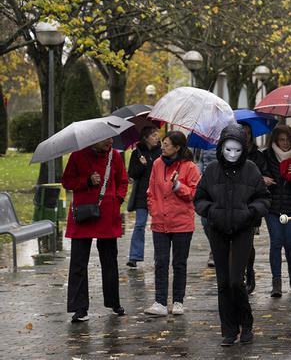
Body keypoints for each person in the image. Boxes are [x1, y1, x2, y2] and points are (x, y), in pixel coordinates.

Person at [194, 124, 270, 346]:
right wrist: (211, 212)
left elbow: (264, 198)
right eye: (228, 150)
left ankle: (246, 324)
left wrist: (251, 212)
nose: (233, 155)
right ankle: (228, 329)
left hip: (242, 230)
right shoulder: (211, 171)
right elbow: (199, 198)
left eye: (237, 150)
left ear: (243, 149)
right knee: (223, 282)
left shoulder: (251, 170)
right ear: (221, 148)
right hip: (217, 230)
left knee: (237, 281)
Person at [62, 137, 128, 322]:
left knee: (109, 261)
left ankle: (114, 302)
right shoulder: (78, 155)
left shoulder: (114, 156)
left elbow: (122, 181)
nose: (110, 141)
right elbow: (67, 182)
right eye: (105, 139)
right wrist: (86, 181)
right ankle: (79, 308)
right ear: (94, 139)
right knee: (78, 263)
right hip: (83, 216)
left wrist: (118, 199)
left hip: (107, 215)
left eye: (111, 138)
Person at [143, 131, 201, 316]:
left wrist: (178, 186)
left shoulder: (190, 167)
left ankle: (178, 301)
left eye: (167, 144)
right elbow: (151, 190)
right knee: (160, 262)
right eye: (163, 143)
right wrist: (154, 209)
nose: (162, 147)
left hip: (182, 223)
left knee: (179, 263)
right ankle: (160, 302)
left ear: (177, 147)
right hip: (160, 221)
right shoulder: (157, 164)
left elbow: (194, 193)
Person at [261, 124, 291, 297]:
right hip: (273, 207)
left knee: (290, 244)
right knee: (276, 242)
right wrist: (261, 179)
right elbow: (256, 172)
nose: (285, 143)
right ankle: (276, 282)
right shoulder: (267, 155)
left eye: (287, 139)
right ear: (276, 140)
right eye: (281, 140)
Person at [126, 125, 161, 268]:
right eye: (153, 136)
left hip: (158, 194)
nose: (157, 138)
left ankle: (159, 256)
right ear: (145, 138)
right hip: (142, 195)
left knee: (158, 226)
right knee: (140, 224)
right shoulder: (137, 153)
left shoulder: (161, 152)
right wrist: (141, 165)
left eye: (157, 135)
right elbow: (132, 174)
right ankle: (134, 256)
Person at [239, 122, 265, 295]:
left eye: (248, 133)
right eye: (243, 132)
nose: (246, 136)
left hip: (251, 203)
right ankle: (238, 272)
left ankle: (249, 270)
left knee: (248, 241)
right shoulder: (231, 153)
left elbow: (262, 178)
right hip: (235, 202)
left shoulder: (257, 155)